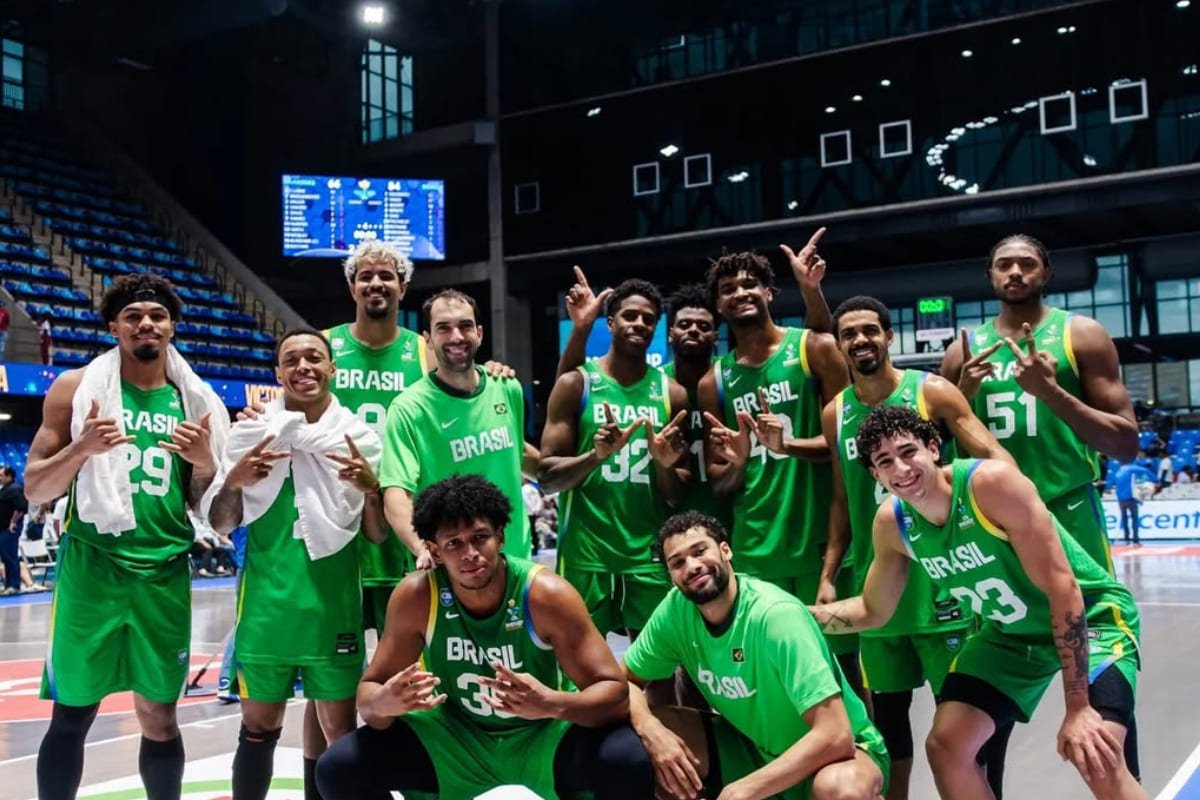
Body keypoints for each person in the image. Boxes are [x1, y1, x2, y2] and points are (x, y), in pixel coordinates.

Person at [811, 406, 1145, 800]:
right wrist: (798, 616)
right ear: (875, 474)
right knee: (947, 745)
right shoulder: (892, 524)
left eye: (908, 452)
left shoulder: (991, 484)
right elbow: (873, 611)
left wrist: (1077, 707)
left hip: (1092, 618)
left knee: (1096, 751)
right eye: (885, 461)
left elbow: (1062, 588)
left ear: (933, 448)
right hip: (1011, 635)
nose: (900, 469)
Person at [315, 474, 652, 800]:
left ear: (500, 537)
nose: (469, 554)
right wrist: (383, 704)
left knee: (627, 759)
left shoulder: (546, 594)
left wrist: (550, 703)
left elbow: (615, 695)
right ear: (434, 550)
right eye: (454, 544)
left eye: (480, 537)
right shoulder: (417, 597)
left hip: (542, 732)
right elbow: (368, 695)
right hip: (454, 738)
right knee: (340, 767)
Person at [24, 273, 229, 800]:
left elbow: (210, 503)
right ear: (115, 326)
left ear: (172, 328)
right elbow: (34, 486)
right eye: (134, 316)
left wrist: (205, 460)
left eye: (157, 316)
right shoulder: (75, 390)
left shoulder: (196, 401)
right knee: (73, 712)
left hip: (161, 572)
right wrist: (81, 449)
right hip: (93, 567)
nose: (146, 324)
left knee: (159, 716)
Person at [821, 296, 1016, 800]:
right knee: (887, 723)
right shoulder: (834, 412)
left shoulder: (931, 392)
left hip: (942, 583)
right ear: (839, 344)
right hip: (878, 588)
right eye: (849, 333)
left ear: (889, 336)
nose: (860, 340)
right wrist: (828, 571)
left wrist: (1008, 525)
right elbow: (842, 499)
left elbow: (996, 462)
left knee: (966, 724)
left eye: (870, 330)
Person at [208, 328, 387, 800]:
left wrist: (372, 489)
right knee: (258, 730)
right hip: (268, 612)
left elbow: (377, 533)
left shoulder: (360, 439)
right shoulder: (252, 436)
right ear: (278, 373)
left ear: (332, 369)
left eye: (314, 358)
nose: (303, 367)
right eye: (292, 360)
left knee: (340, 736)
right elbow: (222, 523)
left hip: (333, 611)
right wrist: (235, 479)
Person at [624, 511, 888, 800]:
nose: (693, 566)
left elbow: (836, 735)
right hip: (753, 750)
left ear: (726, 551)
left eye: (700, 551)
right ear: (671, 576)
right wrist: (651, 730)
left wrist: (744, 790)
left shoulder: (775, 616)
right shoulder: (675, 612)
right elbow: (624, 681)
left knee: (840, 788)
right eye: (678, 563)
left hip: (839, 753)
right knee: (636, 738)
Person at [941, 234, 1138, 573]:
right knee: (1003, 625)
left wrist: (1050, 392)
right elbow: (937, 446)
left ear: (1047, 274)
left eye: (1027, 264)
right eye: (1004, 265)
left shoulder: (1082, 335)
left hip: (1067, 506)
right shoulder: (961, 351)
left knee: (1091, 620)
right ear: (990, 275)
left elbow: (1125, 445)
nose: (1015, 272)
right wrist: (962, 397)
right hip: (990, 514)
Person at [696, 249, 854, 672]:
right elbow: (718, 482)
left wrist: (789, 446)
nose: (740, 293)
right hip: (756, 548)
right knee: (775, 670)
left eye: (749, 284)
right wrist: (739, 461)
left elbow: (847, 444)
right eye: (728, 289)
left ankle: (859, 743)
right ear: (718, 305)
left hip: (821, 541)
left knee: (842, 671)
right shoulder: (715, 381)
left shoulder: (815, 349)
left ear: (769, 291)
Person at [539, 278, 689, 637]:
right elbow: (547, 477)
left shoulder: (673, 394)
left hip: (648, 555)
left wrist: (665, 465)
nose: (639, 324)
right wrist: (596, 455)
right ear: (611, 324)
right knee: (580, 674)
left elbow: (676, 494)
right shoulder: (577, 384)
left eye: (648, 319)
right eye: (629, 316)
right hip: (586, 555)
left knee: (658, 677)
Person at [379, 288, 538, 560]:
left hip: (514, 562)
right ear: (428, 339)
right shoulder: (409, 408)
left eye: (465, 326)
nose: (456, 337)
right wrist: (422, 549)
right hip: (452, 565)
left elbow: (519, 456)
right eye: (443, 328)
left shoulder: (507, 388)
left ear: (479, 333)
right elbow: (396, 494)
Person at [1113, 457, 1156, 546]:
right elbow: (1144, 470)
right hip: (1130, 498)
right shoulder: (1130, 469)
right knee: (1134, 518)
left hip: (1121, 500)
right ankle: (1135, 540)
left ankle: (1126, 539)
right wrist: (1156, 479)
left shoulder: (1117, 472)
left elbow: (1112, 484)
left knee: (1124, 518)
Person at [0, 465, 28, 595]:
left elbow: (21, 507)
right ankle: (8, 584)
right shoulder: (4, 489)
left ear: (9, 476)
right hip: (3, 528)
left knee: (11, 556)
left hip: (10, 528)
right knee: (6, 557)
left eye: (1, 475)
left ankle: (14, 585)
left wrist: (13, 522)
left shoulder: (15, 489)